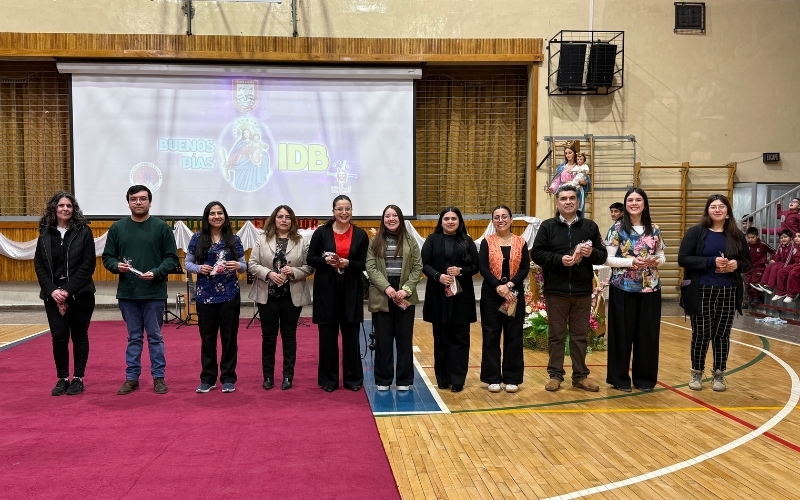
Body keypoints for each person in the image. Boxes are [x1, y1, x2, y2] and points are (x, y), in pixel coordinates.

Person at [102, 185, 179, 395]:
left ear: (150, 202)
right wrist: (115, 266)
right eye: (134, 199)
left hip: (154, 292)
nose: (138, 202)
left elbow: (171, 258)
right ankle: (132, 378)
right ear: (128, 202)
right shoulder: (117, 228)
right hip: (128, 293)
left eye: (143, 198)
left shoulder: (161, 227)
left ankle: (159, 378)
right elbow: (107, 257)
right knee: (134, 337)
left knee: (155, 337)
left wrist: (156, 272)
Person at [531, 184, 608, 392]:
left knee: (580, 336)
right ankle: (555, 375)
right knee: (556, 335)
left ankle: (580, 376)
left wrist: (591, 252)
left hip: (582, 292)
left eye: (572, 198)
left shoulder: (590, 227)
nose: (568, 202)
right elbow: (536, 254)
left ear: (578, 201)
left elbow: (603, 256)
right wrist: (558, 260)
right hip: (556, 291)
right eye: (563, 198)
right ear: (557, 203)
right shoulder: (547, 227)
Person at [678, 194, 751, 392]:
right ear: (707, 210)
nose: (717, 210)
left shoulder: (737, 235)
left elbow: (748, 263)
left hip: (728, 291)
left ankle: (719, 375)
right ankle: (696, 373)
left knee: (722, 335)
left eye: (721, 206)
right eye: (713, 207)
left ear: (727, 211)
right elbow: (683, 259)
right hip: (701, 290)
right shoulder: (696, 232)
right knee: (701, 333)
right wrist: (711, 262)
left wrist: (737, 264)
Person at [34, 191, 96, 396]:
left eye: (69, 206)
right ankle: (62, 378)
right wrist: (52, 290)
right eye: (61, 205)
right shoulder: (45, 232)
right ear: (54, 208)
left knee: (79, 336)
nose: (65, 209)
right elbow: (39, 265)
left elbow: (88, 265)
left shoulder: (84, 232)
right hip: (52, 296)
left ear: (74, 209)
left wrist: (67, 290)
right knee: (59, 337)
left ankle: (78, 378)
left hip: (81, 294)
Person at [603, 188, 665, 392]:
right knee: (621, 334)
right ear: (625, 204)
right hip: (623, 287)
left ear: (644, 204)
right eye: (630, 200)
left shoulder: (654, 228)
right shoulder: (617, 228)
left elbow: (662, 256)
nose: (634, 203)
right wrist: (631, 261)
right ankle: (619, 378)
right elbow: (607, 258)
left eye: (638, 200)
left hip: (650, 288)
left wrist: (654, 260)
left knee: (647, 335)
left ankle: (645, 379)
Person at [307, 195, 369, 392]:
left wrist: (347, 263)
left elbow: (365, 263)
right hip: (326, 292)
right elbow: (310, 259)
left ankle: (353, 380)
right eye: (340, 209)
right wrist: (326, 261)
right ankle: (328, 380)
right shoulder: (321, 233)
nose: (344, 212)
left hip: (351, 291)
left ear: (352, 210)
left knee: (351, 338)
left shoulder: (360, 235)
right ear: (333, 211)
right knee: (327, 338)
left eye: (347, 208)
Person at [184, 201, 247, 393]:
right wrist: (199, 268)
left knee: (229, 338)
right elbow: (188, 263)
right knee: (208, 338)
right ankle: (208, 378)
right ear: (207, 217)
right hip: (205, 296)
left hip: (230, 294)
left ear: (225, 217)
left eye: (220, 213)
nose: (216, 216)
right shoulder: (197, 238)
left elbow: (244, 265)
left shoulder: (234, 239)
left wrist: (238, 266)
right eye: (212, 213)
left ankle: (228, 377)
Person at [249, 205, 313, 391]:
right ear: (274, 219)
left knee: (289, 335)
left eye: (287, 217)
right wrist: (269, 273)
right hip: (267, 294)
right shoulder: (262, 238)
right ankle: (268, 376)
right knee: (268, 337)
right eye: (280, 217)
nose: (284, 220)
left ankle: (287, 376)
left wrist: (293, 271)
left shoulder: (301, 241)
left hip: (291, 294)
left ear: (292, 221)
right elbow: (252, 264)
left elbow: (310, 266)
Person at [421, 207, 478, 393]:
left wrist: (461, 271)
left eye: (454, 218)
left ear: (460, 222)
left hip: (461, 297)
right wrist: (439, 276)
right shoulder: (432, 240)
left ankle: (458, 379)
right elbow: (424, 264)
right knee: (441, 339)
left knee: (460, 339)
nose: (450, 222)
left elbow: (476, 266)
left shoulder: (467, 241)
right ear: (441, 221)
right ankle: (442, 378)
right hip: (438, 296)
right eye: (447, 218)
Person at [366, 205, 423, 391]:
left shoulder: (410, 240)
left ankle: (404, 380)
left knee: (404, 339)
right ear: (383, 219)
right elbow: (371, 268)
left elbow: (417, 267)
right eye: (387, 216)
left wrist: (406, 289)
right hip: (383, 294)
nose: (391, 219)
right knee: (383, 340)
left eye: (394, 215)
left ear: (400, 218)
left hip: (404, 293)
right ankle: (383, 380)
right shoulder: (375, 241)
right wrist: (387, 287)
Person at [478, 205, 529, 393]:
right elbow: (482, 267)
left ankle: (512, 378)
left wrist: (509, 285)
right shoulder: (487, 241)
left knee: (513, 335)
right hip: (492, 294)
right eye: (497, 217)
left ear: (511, 219)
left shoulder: (521, 242)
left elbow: (524, 268)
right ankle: (492, 377)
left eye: (504, 216)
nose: (501, 220)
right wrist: (498, 286)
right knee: (491, 334)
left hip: (513, 294)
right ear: (493, 221)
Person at [743, 227, 773, 308]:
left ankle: (757, 298)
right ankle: (750, 297)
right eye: (748, 238)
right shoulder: (746, 245)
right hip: (749, 267)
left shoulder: (763, 244)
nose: (750, 239)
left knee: (754, 283)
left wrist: (772, 259)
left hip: (759, 268)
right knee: (748, 283)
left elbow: (773, 251)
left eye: (752, 237)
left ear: (757, 236)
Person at [755, 229, 793, 294]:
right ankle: (762, 284)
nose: (783, 239)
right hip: (782, 262)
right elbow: (777, 255)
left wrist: (784, 267)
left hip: (789, 263)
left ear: (791, 238)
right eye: (781, 238)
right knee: (770, 266)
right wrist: (775, 261)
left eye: (786, 237)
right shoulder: (781, 245)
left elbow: (789, 259)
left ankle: (770, 287)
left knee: (775, 268)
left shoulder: (792, 245)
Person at [770, 231, 800, 303]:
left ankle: (792, 293)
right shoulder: (796, 247)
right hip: (796, 264)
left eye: (799, 236)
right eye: (795, 236)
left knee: (792, 273)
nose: (796, 238)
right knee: (781, 272)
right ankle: (781, 292)